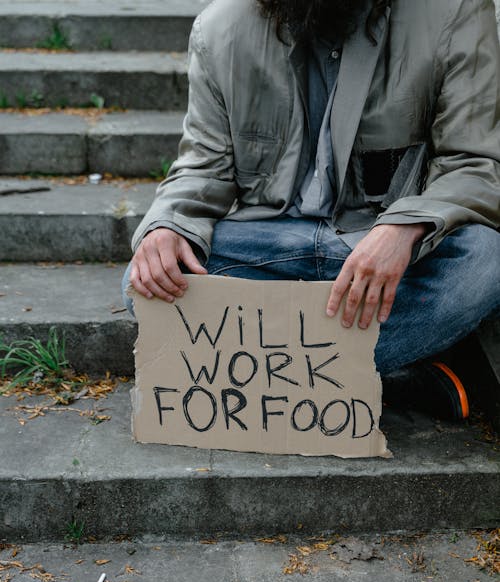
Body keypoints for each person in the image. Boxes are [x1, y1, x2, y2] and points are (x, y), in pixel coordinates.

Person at [123, 0, 500, 421]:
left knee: (484, 259)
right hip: (275, 244)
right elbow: (203, 165)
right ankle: (387, 378)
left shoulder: (455, 10)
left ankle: (264, 374)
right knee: (146, 280)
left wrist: (405, 227)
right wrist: (168, 224)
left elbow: (475, 162)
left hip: (388, 251)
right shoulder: (219, 29)